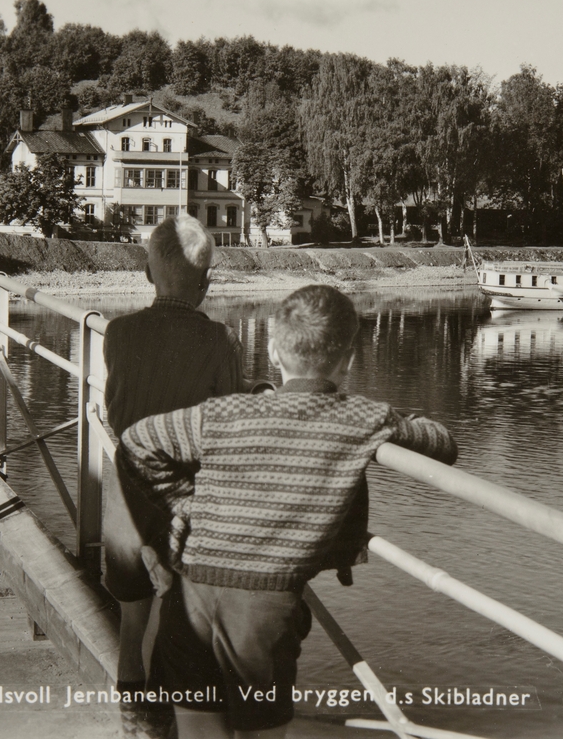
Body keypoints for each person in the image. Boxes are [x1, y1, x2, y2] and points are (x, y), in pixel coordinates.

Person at [119, 284, 458, 739]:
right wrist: (397, 422)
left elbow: (137, 442)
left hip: (192, 591)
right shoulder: (362, 419)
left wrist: (186, 505)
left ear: (275, 352)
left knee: (199, 731)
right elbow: (443, 444)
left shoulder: (224, 413)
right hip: (264, 608)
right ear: (349, 361)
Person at [103, 214, 246, 737]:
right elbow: (226, 418)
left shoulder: (118, 333)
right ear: (206, 286)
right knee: (181, 633)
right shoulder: (219, 341)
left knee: (131, 626)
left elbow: (116, 412)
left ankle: (133, 727)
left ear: (146, 272)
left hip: (124, 500)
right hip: (184, 505)